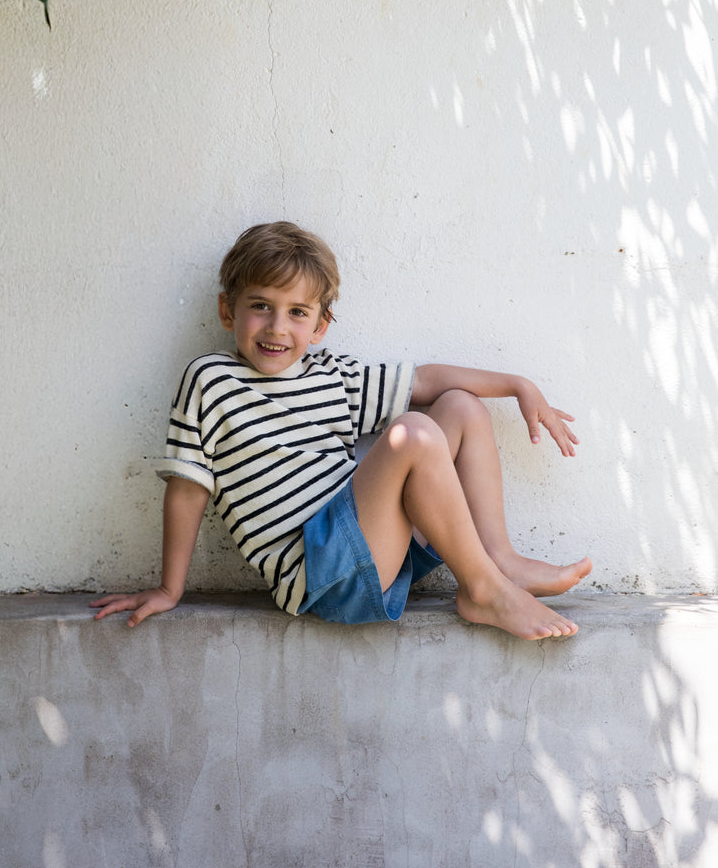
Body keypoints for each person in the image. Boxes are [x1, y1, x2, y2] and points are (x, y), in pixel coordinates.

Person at [92, 222, 590, 641]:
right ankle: (484, 590)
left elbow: (424, 380)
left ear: (321, 325)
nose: (277, 328)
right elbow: (187, 487)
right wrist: (169, 588)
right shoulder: (210, 380)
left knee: (459, 405)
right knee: (413, 434)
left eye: (297, 312)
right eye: (260, 306)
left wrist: (518, 385)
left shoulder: (331, 374)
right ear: (228, 311)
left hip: (375, 545)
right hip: (319, 574)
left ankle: (496, 559)